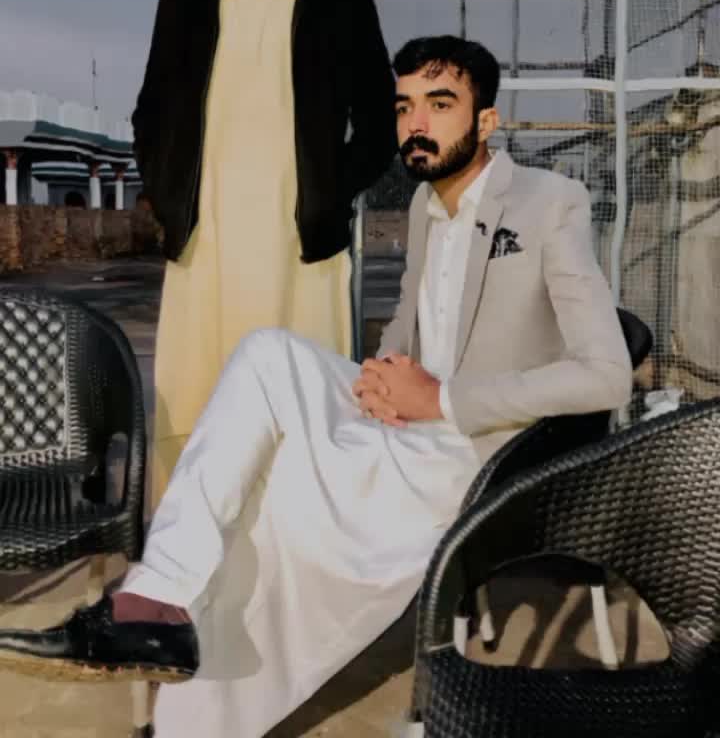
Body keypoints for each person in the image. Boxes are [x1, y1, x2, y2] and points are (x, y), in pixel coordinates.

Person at [0, 37, 633, 738]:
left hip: (479, 446)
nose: (416, 124)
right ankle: (154, 602)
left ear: (486, 120)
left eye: (440, 104)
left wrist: (440, 400)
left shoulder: (550, 204)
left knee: (280, 503)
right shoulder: (425, 206)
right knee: (266, 354)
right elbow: (408, 325)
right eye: (404, 107)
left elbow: (606, 374)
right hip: (415, 415)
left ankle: (194, 718)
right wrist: (382, 376)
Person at [131, 0, 397, 506]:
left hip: (298, 259)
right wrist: (167, 198)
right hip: (202, 257)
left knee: (303, 419)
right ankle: (187, 558)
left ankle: (302, 558)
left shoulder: (340, 1)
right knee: (192, 418)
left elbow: (380, 124)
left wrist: (328, 197)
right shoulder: (181, 0)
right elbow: (148, 116)